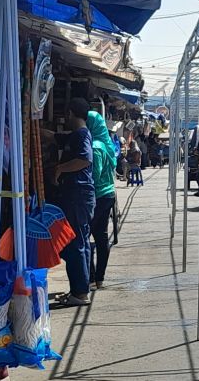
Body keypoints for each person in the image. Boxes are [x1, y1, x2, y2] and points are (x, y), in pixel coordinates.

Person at [48, 98, 95, 306]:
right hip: (78, 196)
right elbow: (54, 137)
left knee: (75, 243)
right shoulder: (75, 136)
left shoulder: (81, 135)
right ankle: (79, 290)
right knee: (80, 242)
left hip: (77, 195)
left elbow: (85, 159)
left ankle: (79, 293)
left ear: (71, 113)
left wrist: (60, 169)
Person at [87, 110, 117, 289]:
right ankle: (99, 278)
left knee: (86, 237)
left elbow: (95, 175)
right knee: (101, 237)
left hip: (98, 196)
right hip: (108, 194)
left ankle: (90, 278)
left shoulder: (96, 146)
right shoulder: (106, 144)